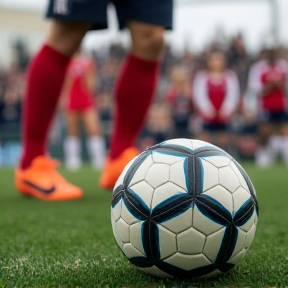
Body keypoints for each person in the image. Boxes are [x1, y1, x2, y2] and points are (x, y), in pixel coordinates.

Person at [15, 0, 173, 201]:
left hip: (84, 99)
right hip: (75, 99)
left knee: (151, 37)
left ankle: (119, 158)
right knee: (69, 31)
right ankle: (31, 163)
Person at [62, 51, 105, 171]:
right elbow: (66, 81)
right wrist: (64, 98)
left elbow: (92, 81)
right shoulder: (67, 61)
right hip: (72, 99)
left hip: (86, 99)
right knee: (72, 130)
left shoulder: (87, 62)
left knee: (94, 129)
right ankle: (73, 160)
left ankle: (98, 159)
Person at [248, 46, 288, 167]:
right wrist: (269, 86)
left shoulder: (283, 66)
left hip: (281, 106)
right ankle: (263, 158)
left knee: (284, 131)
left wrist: (279, 84)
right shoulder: (257, 68)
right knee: (265, 132)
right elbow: (254, 88)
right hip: (265, 106)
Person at [193, 49, 240, 150]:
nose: (216, 62)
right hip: (207, 114)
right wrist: (207, 109)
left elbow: (233, 95)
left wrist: (227, 109)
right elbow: (199, 95)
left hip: (223, 114)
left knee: (222, 138)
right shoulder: (202, 77)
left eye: (218, 60)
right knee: (204, 138)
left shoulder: (230, 77)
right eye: (213, 60)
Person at [165, 66, 193, 138]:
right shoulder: (172, 89)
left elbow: (192, 103)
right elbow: (169, 102)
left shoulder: (189, 88)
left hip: (188, 118)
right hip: (175, 117)